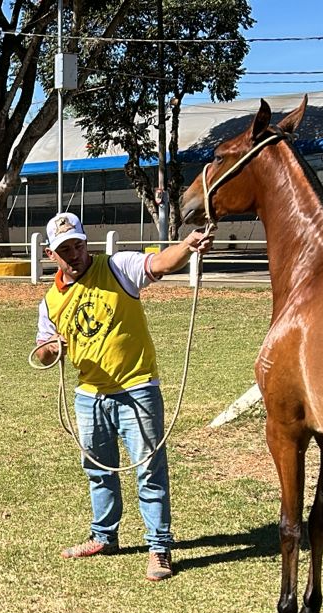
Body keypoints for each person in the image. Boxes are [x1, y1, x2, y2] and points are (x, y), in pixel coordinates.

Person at [31, 211, 213, 581]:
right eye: (65, 249)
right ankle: (104, 536)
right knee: (97, 471)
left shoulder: (117, 267)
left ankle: (159, 548)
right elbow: (42, 350)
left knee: (149, 470)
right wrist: (51, 350)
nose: (74, 254)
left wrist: (187, 247)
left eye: (78, 245)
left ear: (86, 243)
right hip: (89, 395)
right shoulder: (50, 302)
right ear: (52, 255)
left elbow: (159, 263)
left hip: (137, 388)